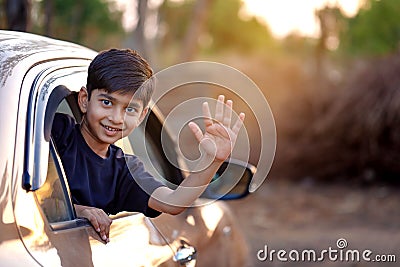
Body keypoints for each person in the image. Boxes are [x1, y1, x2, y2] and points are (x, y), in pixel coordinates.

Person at [51, 48, 245, 243]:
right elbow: (26, 199)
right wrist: (78, 211)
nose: (117, 118)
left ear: (141, 116)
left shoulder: (125, 170)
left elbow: (173, 202)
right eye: (107, 102)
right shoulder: (57, 133)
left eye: (130, 109)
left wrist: (212, 160)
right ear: (85, 100)